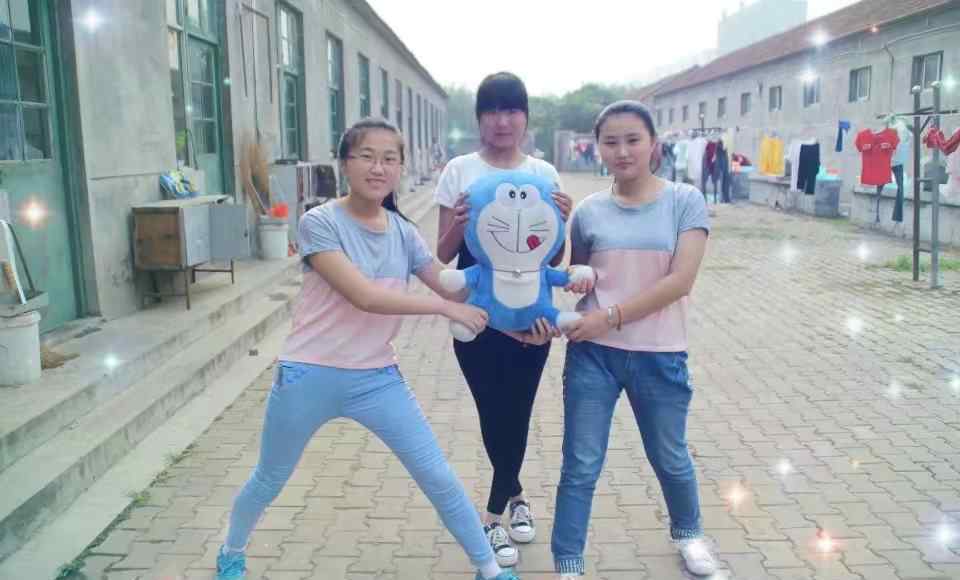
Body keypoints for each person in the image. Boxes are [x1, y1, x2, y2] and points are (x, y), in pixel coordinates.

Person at [215, 117, 520, 580]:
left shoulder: (403, 231)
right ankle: (231, 553)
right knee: (270, 477)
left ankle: (488, 568)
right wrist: (444, 308)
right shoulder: (319, 222)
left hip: (377, 379)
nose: (378, 168)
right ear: (345, 164)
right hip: (308, 374)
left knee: (436, 474)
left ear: (400, 168)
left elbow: (451, 285)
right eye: (367, 156)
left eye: (389, 159)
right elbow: (365, 297)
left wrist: (517, 279)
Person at [551, 101, 718, 578]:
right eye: (611, 142)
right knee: (580, 464)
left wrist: (609, 317)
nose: (622, 151)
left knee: (670, 456)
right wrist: (573, 282)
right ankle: (568, 561)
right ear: (598, 148)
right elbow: (582, 274)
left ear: (653, 144)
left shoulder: (684, 201)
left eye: (632, 140)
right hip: (593, 356)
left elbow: (680, 281)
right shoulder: (588, 211)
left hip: (659, 354)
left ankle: (689, 534)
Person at [434, 72, 574, 567]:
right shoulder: (459, 171)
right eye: (492, 110)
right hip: (477, 321)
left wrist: (563, 218)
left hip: (531, 322)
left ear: (525, 118)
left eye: (512, 110)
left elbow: (554, 257)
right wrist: (457, 222)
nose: (502, 121)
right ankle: (510, 502)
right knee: (494, 415)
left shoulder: (545, 173)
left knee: (518, 412)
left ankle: (496, 513)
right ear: (478, 118)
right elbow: (442, 255)